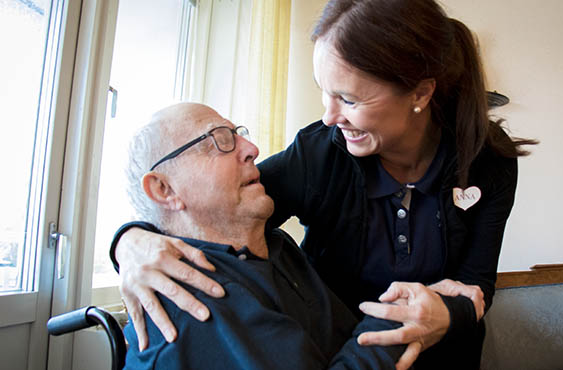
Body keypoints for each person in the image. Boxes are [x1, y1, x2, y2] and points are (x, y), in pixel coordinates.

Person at [111, 0, 536, 368]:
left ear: (420, 93)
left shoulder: (489, 161)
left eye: (348, 99)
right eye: (325, 93)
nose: (330, 116)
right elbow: (217, 216)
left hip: (443, 358)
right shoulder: (320, 154)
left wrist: (450, 315)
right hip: (341, 357)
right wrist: (129, 240)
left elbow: (476, 285)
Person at [122, 102, 408, 369]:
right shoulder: (192, 304)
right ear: (164, 189)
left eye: (238, 134)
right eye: (216, 140)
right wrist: (396, 319)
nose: (252, 149)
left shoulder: (274, 247)